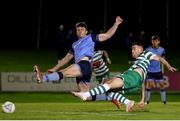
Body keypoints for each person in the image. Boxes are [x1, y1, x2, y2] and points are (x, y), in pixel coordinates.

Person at [72, 42, 177, 112]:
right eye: (131, 49)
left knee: (108, 84)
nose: (132, 51)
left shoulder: (146, 54)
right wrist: (142, 99)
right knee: (109, 91)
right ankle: (128, 102)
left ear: (141, 49)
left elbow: (159, 58)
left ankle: (85, 95)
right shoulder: (140, 63)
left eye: (134, 49)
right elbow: (142, 83)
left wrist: (168, 66)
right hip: (134, 81)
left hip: (132, 76)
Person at [34, 16, 123, 92]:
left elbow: (107, 35)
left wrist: (116, 24)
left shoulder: (91, 37)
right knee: (85, 96)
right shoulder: (74, 44)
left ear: (86, 31)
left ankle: (43, 78)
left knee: (64, 72)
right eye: (78, 29)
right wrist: (54, 68)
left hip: (84, 65)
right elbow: (66, 58)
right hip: (82, 69)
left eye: (82, 29)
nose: (80, 31)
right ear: (76, 32)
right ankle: (112, 96)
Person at [145, 35, 169, 104]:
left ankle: (164, 101)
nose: (154, 42)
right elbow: (145, 60)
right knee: (149, 86)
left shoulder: (162, 49)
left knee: (162, 86)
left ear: (159, 41)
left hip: (158, 71)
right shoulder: (148, 49)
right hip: (150, 71)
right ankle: (147, 101)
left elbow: (163, 60)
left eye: (156, 41)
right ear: (151, 41)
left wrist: (163, 69)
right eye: (153, 41)